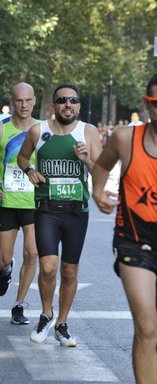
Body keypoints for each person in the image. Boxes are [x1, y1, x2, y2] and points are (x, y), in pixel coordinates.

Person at [17, 84, 102, 347]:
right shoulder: (38, 131)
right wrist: (30, 170)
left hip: (77, 212)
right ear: (53, 106)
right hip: (47, 209)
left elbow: (100, 173)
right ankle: (46, 314)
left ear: (79, 106)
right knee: (49, 267)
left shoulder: (88, 132)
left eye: (73, 100)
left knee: (69, 271)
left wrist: (87, 160)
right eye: (62, 100)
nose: (68, 104)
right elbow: (22, 158)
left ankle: (62, 324)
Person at [91, 74, 157, 384]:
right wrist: (98, 191)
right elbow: (102, 165)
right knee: (146, 327)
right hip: (135, 242)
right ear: (146, 104)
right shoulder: (125, 138)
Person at [0, 83, 39, 325]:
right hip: (6, 201)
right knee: (3, 258)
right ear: (12, 101)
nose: (23, 105)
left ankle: (19, 304)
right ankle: (6, 271)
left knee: (32, 254)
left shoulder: (43, 130)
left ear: (34, 101)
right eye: (19, 100)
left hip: (34, 201)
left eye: (28, 100)